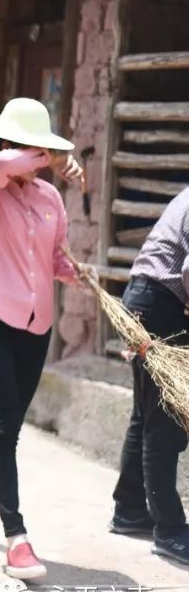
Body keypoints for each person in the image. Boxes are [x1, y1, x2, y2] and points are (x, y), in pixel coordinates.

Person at [0, 98, 92, 581]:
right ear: (10, 145)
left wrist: (75, 274)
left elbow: (54, 259)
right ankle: (18, 538)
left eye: (43, 149)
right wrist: (48, 157)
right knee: (6, 427)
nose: (37, 159)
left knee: (6, 422)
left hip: (36, 326)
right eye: (30, 148)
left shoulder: (49, 199)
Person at [109, 189, 189, 566]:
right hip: (162, 303)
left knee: (146, 414)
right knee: (166, 418)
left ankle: (129, 510)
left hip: (144, 298)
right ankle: (170, 530)